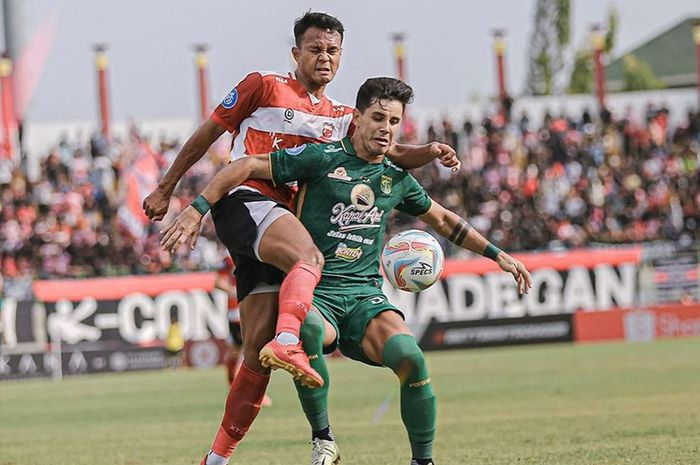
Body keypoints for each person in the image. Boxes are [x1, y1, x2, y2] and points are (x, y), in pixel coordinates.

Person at [161, 77, 533, 465]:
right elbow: (249, 164)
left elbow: (444, 220)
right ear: (357, 118)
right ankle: (323, 439)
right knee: (302, 330)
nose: (385, 128)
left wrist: (497, 255)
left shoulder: (396, 179)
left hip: (365, 297)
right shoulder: (321, 157)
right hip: (315, 293)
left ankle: (423, 461)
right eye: (377, 118)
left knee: (412, 358)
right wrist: (198, 208)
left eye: (393, 121)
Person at [144, 11, 458, 465]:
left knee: (255, 352)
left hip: (281, 224)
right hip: (247, 200)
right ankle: (293, 346)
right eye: (315, 49)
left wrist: (427, 151)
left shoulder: (343, 116)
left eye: (332, 51)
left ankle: (215, 459)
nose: (324, 58)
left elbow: (385, 147)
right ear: (297, 53)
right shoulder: (263, 85)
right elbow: (210, 130)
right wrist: (168, 187)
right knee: (309, 256)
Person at [215, 256, 273, 405]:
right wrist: (237, 290)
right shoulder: (228, 258)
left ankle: (246, 392)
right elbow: (218, 282)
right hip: (236, 311)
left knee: (248, 350)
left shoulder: (258, 250)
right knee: (243, 351)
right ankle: (240, 391)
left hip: (256, 307)